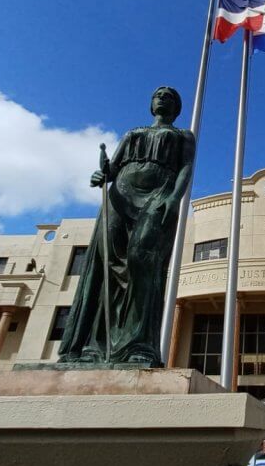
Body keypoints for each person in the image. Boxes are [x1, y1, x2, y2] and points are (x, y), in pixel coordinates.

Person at [58, 86, 196, 366]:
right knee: (106, 265)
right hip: (120, 195)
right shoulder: (133, 132)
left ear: (177, 108)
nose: (162, 98)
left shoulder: (183, 135)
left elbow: (185, 168)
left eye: (169, 96)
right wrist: (101, 174)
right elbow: (113, 168)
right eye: (158, 95)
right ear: (151, 104)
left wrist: (174, 198)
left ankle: (138, 345)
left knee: (141, 261)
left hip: (158, 195)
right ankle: (95, 346)